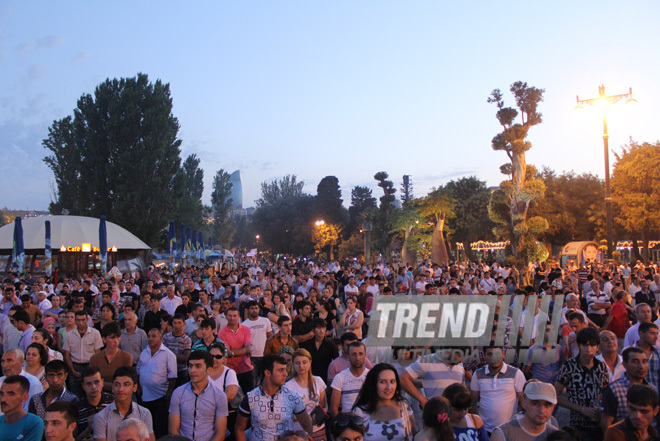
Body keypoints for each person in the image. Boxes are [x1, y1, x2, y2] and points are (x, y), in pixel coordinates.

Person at [235, 355, 314, 441]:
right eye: (281, 370)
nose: (285, 374)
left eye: (285, 369)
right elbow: (239, 429)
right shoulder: (250, 398)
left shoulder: (292, 397)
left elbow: (307, 425)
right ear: (268, 373)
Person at [554, 327, 609, 441]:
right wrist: (582, 409)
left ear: (597, 347)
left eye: (592, 345)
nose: (588, 349)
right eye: (584, 345)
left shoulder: (601, 366)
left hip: (598, 425)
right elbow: (555, 395)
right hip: (578, 426)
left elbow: (605, 392)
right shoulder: (569, 366)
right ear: (579, 345)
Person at [169, 350, 228, 441]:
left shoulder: (219, 396)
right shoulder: (178, 393)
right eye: (190, 366)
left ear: (209, 370)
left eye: (198, 366)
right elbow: (173, 430)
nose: (192, 370)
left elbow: (220, 434)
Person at [470, 345, 526, 436]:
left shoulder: (516, 373)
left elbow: (523, 400)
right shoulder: (477, 374)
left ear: (503, 354)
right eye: (489, 354)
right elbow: (473, 402)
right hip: (484, 429)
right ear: (484, 356)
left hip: (509, 429)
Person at [351, 363, 415, 441]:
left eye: (392, 381)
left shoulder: (404, 407)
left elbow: (414, 435)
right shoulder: (359, 412)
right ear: (373, 384)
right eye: (383, 382)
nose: (389, 387)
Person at [92, 366, 155, 441]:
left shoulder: (144, 413)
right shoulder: (101, 417)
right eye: (117, 385)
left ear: (134, 387)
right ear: (112, 388)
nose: (121, 389)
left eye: (126, 384)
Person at [136, 328, 177, 439]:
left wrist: (169, 393)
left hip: (160, 396)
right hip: (145, 396)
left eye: (154, 336)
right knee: (147, 426)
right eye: (149, 336)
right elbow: (139, 370)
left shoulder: (168, 354)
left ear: (160, 337)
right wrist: (139, 387)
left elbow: (172, 376)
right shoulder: (144, 352)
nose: (150, 338)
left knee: (159, 426)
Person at [601, 347, 650, 433]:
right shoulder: (614, 389)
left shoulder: (651, 389)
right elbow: (606, 423)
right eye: (635, 362)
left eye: (644, 362)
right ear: (624, 365)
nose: (641, 366)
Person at [490, 381, 558, 441]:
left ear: (553, 407)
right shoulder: (503, 434)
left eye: (547, 405)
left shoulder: (556, 435)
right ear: (524, 403)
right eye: (535, 403)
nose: (542, 410)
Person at [286, 349, 328, 441]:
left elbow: (324, 405)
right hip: (299, 432)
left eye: (304, 362)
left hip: (318, 430)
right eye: (297, 363)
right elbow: (287, 412)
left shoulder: (318, 381)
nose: (301, 366)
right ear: (293, 364)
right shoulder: (289, 386)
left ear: (310, 362)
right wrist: (307, 419)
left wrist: (319, 416)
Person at [400, 350, 465, 409]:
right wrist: (422, 400)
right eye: (459, 356)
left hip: (456, 415)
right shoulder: (426, 360)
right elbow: (402, 379)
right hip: (435, 413)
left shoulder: (460, 364)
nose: (462, 360)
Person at [63, 310, 103, 397]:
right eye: (78, 320)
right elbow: (67, 354)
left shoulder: (95, 333)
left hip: (89, 366)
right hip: (74, 367)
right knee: (75, 395)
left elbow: (97, 354)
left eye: (83, 320)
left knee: (91, 393)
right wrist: (73, 370)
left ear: (87, 320)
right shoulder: (69, 335)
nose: (80, 322)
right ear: (75, 321)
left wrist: (93, 370)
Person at [217, 307, 254, 395]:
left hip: (245, 368)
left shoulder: (246, 329)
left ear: (238, 317)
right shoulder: (222, 333)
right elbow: (227, 353)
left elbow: (248, 349)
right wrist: (242, 350)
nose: (232, 318)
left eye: (234, 316)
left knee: (249, 396)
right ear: (226, 316)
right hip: (230, 369)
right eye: (230, 316)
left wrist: (233, 352)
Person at [89, 323, 133, 393]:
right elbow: (93, 381)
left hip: (120, 393)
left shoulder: (127, 357)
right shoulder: (95, 359)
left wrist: (102, 383)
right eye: (112, 338)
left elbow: (125, 381)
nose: (116, 341)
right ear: (104, 339)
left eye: (118, 337)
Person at [330, 341, 370, 417]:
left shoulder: (371, 376)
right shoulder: (340, 377)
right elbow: (333, 408)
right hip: (349, 424)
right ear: (348, 356)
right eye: (354, 354)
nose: (357, 358)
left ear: (365, 355)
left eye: (360, 354)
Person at [0, 375, 44, 441]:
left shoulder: (34, 423)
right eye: (1, 394)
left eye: (11, 394)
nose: (3, 399)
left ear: (24, 397)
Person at [76, 367, 114, 441]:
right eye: (88, 384)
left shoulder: (113, 402)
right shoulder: (77, 408)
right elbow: (75, 438)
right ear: (83, 386)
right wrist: (89, 428)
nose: (93, 387)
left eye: (96, 382)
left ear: (102, 382)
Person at [301, 318, 339, 386]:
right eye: (318, 328)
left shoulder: (332, 346)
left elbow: (336, 364)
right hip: (309, 379)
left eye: (323, 328)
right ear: (313, 330)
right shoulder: (306, 345)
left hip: (325, 380)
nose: (321, 331)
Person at [243, 300, 273, 382]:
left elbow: (270, 337)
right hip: (251, 357)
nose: (254, 310)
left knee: (266, 380)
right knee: (253, 381)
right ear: (248, 310)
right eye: (252, 308)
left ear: (259, 309)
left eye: (256, 308)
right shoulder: (244, 325)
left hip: (265, 355)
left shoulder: (265, 321)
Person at [162, 313, 192, 386]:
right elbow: (163, 355)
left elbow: (185, 358)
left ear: (184, 323)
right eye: (175, 323)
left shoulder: (187, 339)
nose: (177, 325)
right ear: (172, 323)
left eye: (179, 323)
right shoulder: (166, 337)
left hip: (181, 371)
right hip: (167, 371)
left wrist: (170, 355)